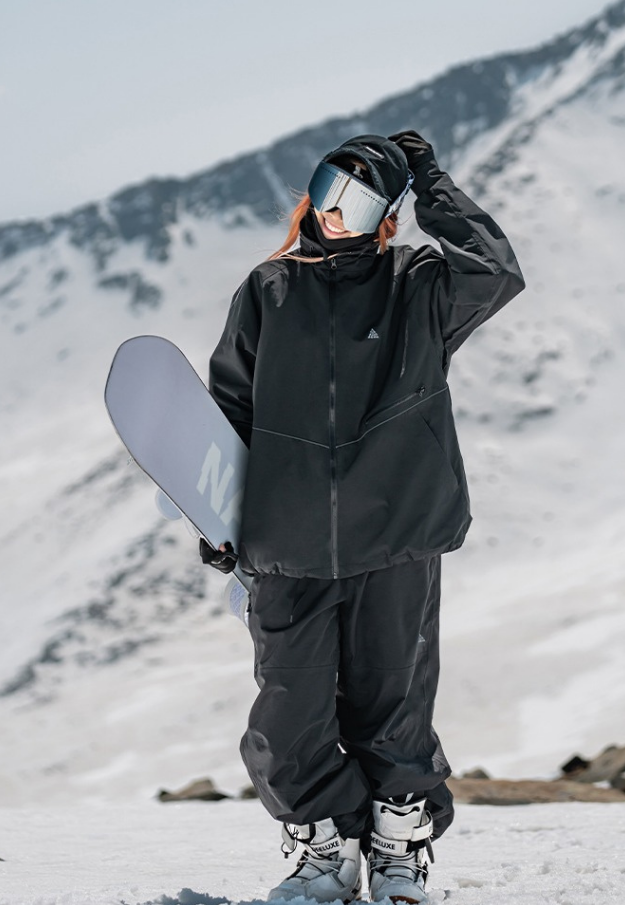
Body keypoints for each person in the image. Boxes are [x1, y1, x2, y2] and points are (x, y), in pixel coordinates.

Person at [201, 131, 525, 903]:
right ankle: (326, 847)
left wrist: (431, 181)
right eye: (326, 188)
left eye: (360, 198)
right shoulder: (270, 289)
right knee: (287, 720)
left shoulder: (418, 287)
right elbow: (229, 409)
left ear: (388, 214)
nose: (336, 210)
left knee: (394, 709)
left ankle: (398, 849)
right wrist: (212, 516)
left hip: (396, 534)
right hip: (286, 545)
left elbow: (495, 272)